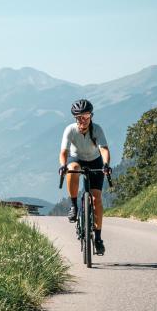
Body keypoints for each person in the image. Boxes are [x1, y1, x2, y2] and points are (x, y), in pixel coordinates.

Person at [58, 99, 112, 255]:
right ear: (75, 118)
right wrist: (63, 165)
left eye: (86, 116)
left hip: (95, 160)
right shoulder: (70, 130)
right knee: (72, 168)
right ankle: (74, 206)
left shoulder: (97, 130)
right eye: (80, 117)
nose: (83, 120)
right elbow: (64, 152)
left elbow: (104, 149)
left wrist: (106, 164)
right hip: (76, 159)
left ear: (91, 116)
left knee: (96, 199)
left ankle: (98, 238)